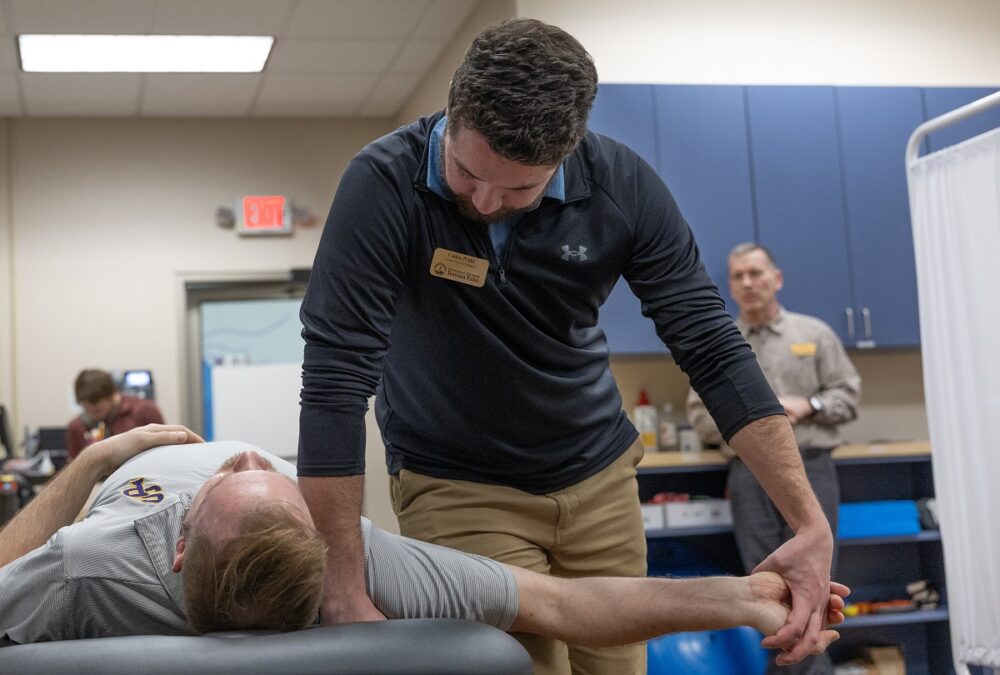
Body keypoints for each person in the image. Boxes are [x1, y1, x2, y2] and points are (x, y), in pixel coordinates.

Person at [299, 17, 835, 673]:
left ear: (569, 151)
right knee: (518, 666)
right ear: (452, 110)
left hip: (598, 476)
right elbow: (333, 382)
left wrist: (809, 524)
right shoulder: (382, 186)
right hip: (458, 482)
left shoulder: (619, 185)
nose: (487, 200)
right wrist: (343, 587)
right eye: (466, 172)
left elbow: (713, 348)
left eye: (519, 187)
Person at [0, 425, 849, 652]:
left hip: (128, 468)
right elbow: (556, 600)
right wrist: (735, 596)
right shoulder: (359, 558)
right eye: (250, 472)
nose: (250, 451)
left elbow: (556, 600)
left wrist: (97, 466)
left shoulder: (88, 560)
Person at [686, 242, 862, 675]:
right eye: (738, 276)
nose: (748, 283)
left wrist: (808, 406)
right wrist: (752, 425)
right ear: (729, 285)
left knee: (815, 581)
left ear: (776, 279)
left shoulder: (813, 334)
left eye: (756, 273)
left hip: (812, 469)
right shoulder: (718, 342)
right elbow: (698, 414)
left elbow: (848, 395)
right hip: (750, 475)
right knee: (767, 587)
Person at [65, 369, 164, 460]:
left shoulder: (145, 411)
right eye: (87, 409)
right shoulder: (77, 427)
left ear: (112, 396)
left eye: (98, 410)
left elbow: (162, 453)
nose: (93, 416)